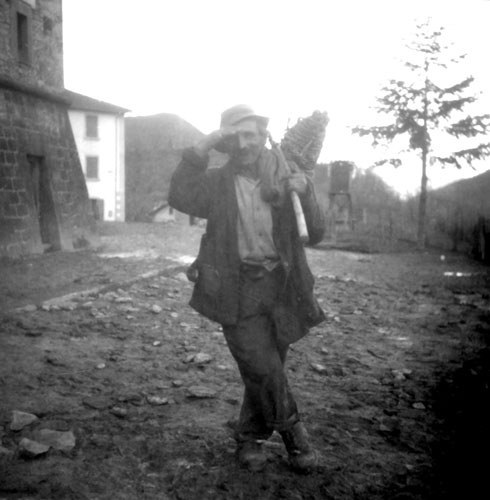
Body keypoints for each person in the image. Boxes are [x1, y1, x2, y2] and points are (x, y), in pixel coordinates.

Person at [168, 104, 326, 472]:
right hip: (236, 289)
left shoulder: (286, 177)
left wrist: (306, 193)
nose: (244, 143)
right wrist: (205, 143)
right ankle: (295, 435)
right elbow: (179, 195)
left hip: (282, 288)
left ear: (263, 136)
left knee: (267, 368)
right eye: (235, 136)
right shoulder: (216, 185)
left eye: (251, 134)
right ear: (226, 142)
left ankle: (250, 437)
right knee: (263, 365)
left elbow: (317, 233)